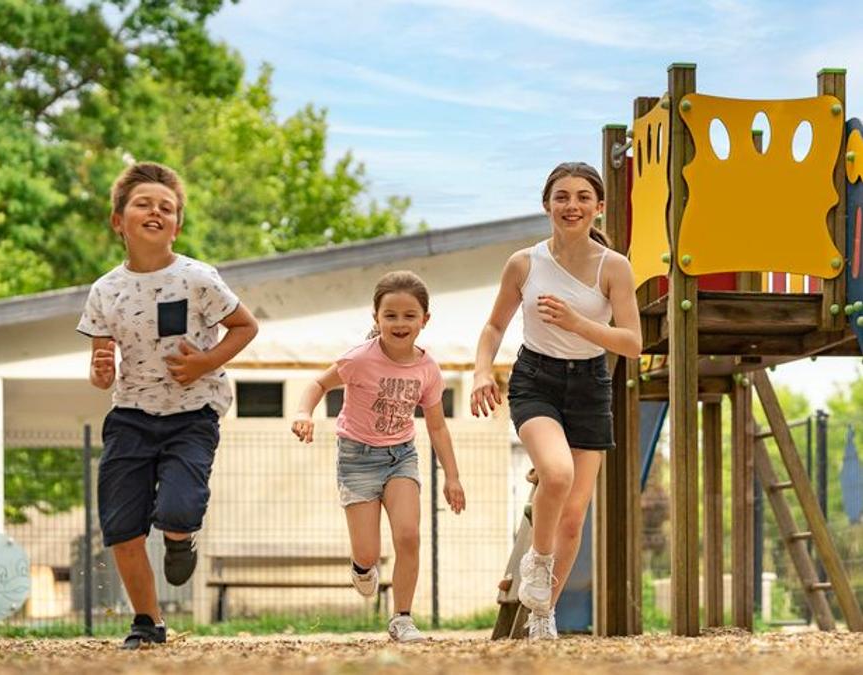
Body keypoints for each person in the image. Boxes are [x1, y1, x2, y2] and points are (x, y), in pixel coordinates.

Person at [77, 162, 258, 649]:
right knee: (121, 526)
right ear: (118, 221)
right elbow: (101, 363)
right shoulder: (105, 290)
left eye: (167, 207)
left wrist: (205, 362)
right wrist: (100, 372)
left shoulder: (197, 277)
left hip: (193, 413)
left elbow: (245, 326)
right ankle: (147, 621)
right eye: (143, 204)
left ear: (176, 226)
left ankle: (181, 537)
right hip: (131, 415)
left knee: (178, 509)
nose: (156, 211)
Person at [471, 162, 641, 640]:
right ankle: (538, 563)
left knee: (572, 517)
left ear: (599, 207)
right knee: (558, 473)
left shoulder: (614, 267)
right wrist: (482, 370)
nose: (572, 205)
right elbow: (494, 327)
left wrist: (577, 323)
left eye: (583, 197)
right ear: (546, 205)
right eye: (562, 196)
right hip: (536, 381)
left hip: (589, 385)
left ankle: (544, 615)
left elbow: (632, 342)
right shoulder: (524, 263)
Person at [291, 270, 466, 643]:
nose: (400, 323)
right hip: (356, 457)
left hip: (401, 456)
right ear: (376, 318)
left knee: (409, 536)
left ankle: (402, 618)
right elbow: (319, 383)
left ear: (424, 320)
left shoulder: (428, 369)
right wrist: (304, 413)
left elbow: (437, 427)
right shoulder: (359, 359)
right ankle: (361, 566)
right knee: (368, 553)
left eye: (409, 315)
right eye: (390, 315)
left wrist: (452, 477)